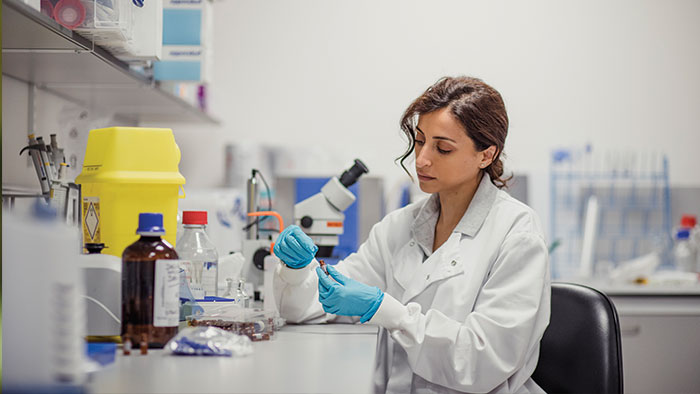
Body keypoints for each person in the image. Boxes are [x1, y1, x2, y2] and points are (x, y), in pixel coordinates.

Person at [272, 76, 550, 393]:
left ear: (486, 155)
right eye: (419, 141)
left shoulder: (517, 232)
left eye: (442, 148)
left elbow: (480, 362)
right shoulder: (399, 226)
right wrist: (296, 272)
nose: (421, 159)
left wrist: (388, 312)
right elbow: (306, 308)